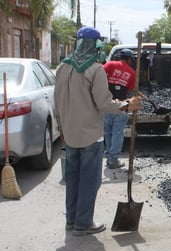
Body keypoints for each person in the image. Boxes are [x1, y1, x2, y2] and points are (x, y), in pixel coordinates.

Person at [54, 26, 142, 236]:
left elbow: (57, 102)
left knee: (73, 179)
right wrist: (127, 104)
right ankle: (83, 224)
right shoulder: (95, 69)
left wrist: (61, 127)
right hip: (91, 136)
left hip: (70, 134)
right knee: (90, 181)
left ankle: (71, 220)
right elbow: (104, 103)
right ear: (95, 46)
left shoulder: (62, 68)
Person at [103, 49, 136, 169]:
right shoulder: (132, 73)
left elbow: (99, 76)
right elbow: (129, 89)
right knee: (117, 133)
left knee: (108, 132)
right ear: (129, 59)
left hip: (106, 104)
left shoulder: (110, 64)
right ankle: (113, 160)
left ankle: (109, 157)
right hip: (121, 106)